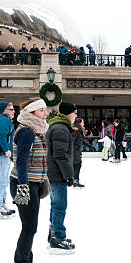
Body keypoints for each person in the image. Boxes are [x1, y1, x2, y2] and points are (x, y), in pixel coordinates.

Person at [9, 97, 49, 263]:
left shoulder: (35, 131)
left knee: (30, 227)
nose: (46, 113)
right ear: (32, 113)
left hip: (33, 183)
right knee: (29, 228)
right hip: (24, 184)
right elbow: (22, 162)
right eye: (42, 110)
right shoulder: (26, 132)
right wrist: (23, 187)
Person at [46, 101, 77, 254]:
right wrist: (69, 175)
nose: (76, 116)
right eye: (75, 113)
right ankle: (58, 238)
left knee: (55, 205)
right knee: (60, 207)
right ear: (68, 113)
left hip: (53, 173)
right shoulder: (61, 129)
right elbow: (60, 155)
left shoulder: (57, 126)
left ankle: (53, 234)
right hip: (57, 174)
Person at [0, 102, 16, 218]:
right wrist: (6, 149)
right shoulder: (4, 120)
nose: (13, 111)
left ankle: (2, 204)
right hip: (2, 155)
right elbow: (0, 134)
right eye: (11, 109)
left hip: (3, 155)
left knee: (3, 182)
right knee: (1, 182)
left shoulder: (5, 120)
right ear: (4, 111)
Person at [71, 118, 86, 188]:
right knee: (77, 164)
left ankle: (74, 179)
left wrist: (90, 146)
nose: (83, 123)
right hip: (74, 151)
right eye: (82, 122)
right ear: (79, 123)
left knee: (76, 164)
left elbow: (82, 140)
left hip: (77, 150)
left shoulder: (79, 131)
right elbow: (71, 142)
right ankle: (75, 180)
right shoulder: (75, 131)